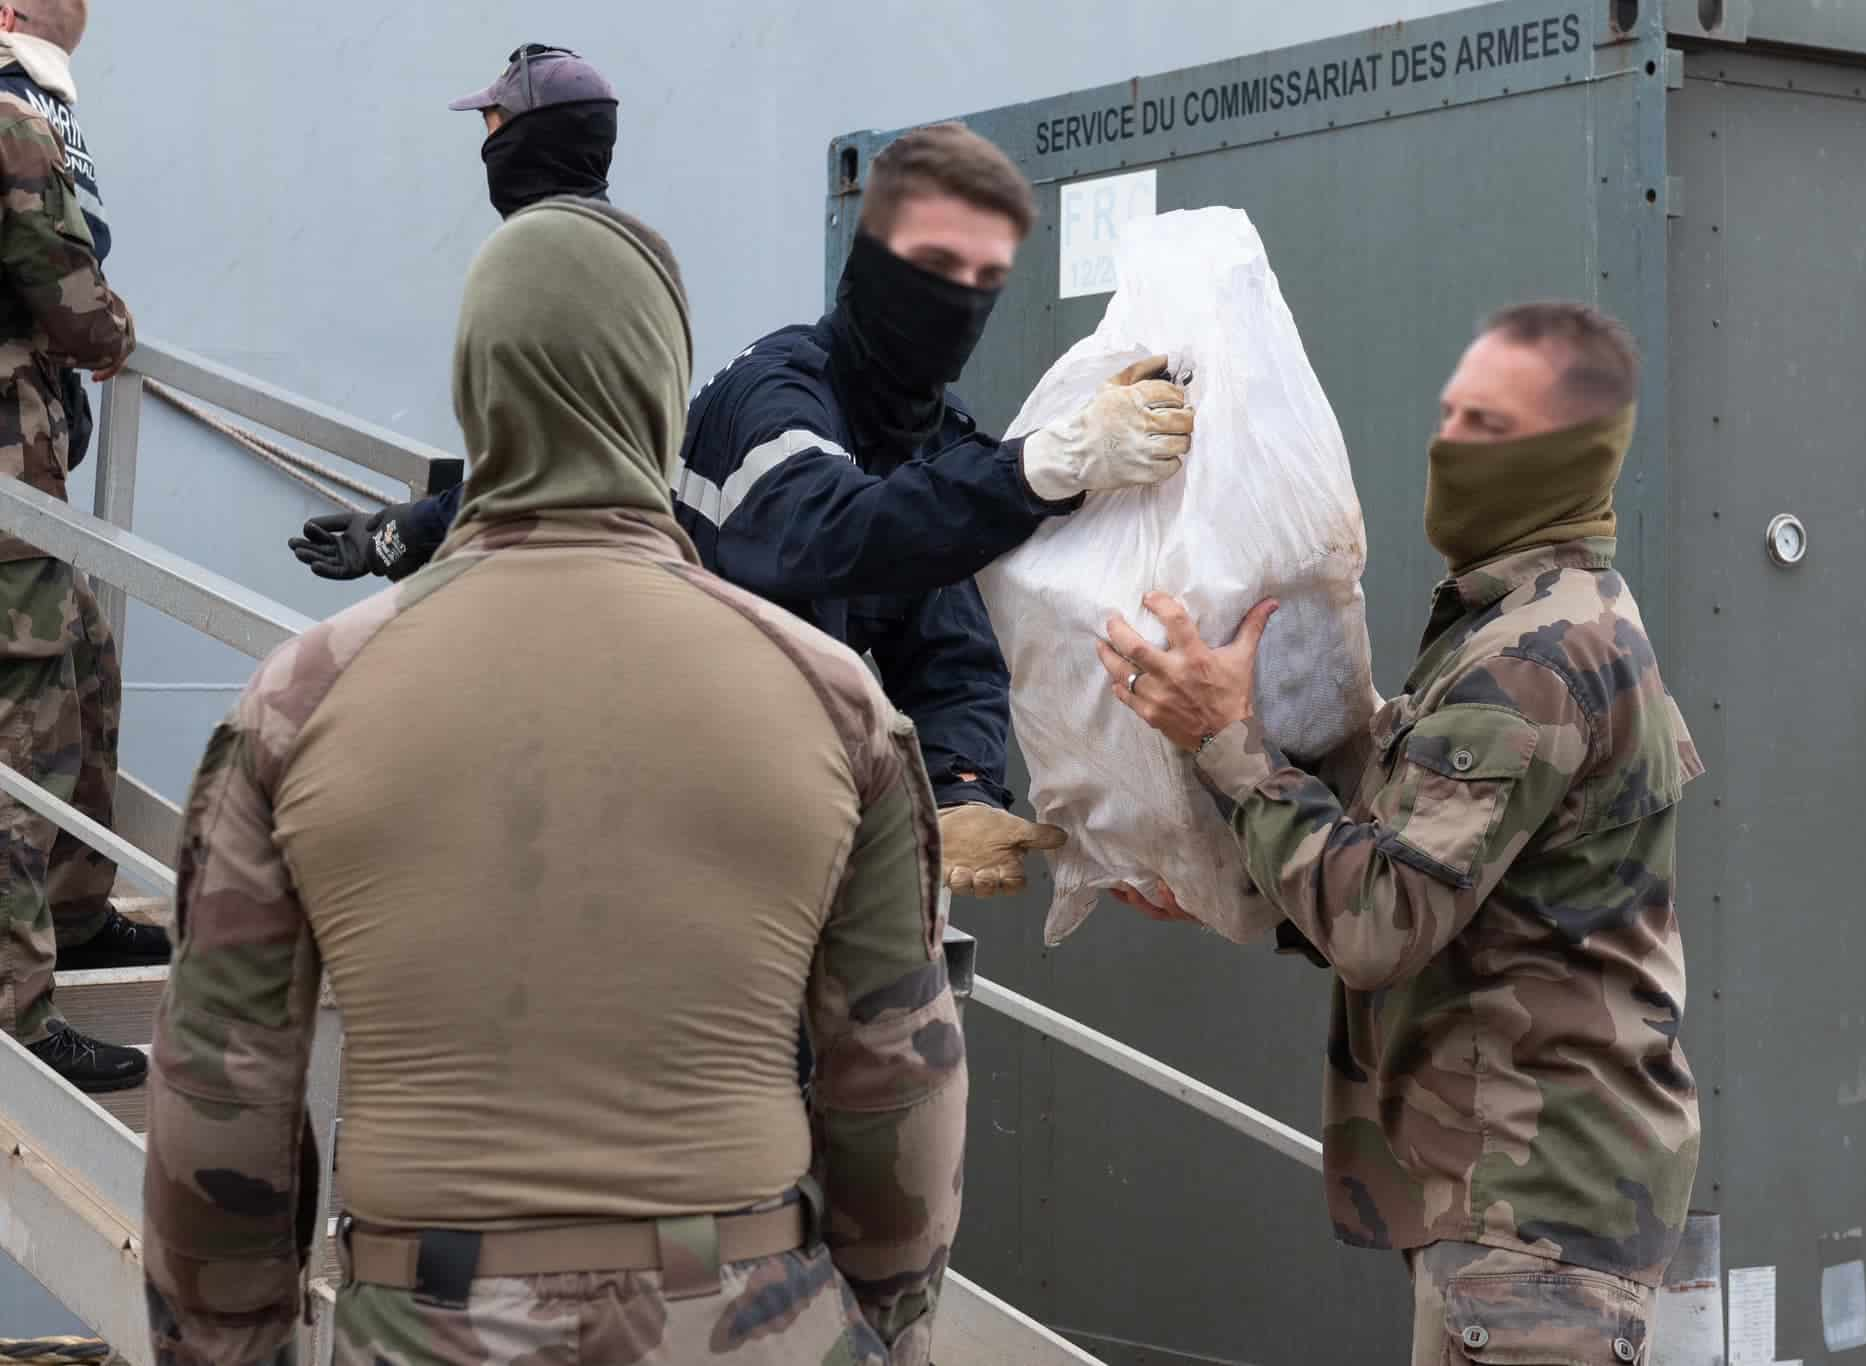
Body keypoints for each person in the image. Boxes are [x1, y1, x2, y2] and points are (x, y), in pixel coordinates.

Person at [145, 199, 965, 1365]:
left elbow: (220, 1096)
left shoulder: (301, 700)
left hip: (422, 1318)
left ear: (478, 388)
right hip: (749, 1317)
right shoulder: (832, 701)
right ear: (660, 395)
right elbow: (897, 1087)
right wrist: (880, 1333)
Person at [293, 120, 1195, 897]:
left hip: (784, 832)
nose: (957, 297)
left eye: (981, 275)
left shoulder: (939, 447)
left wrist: (958, 791)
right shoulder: (775, 400)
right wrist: (1046, 465)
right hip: (640, 813)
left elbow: (953, 656)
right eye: (933, 264)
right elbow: (820, 532)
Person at [1102, 302, 1702, 1365]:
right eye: (1449, 413)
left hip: (1530, 1226)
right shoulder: (1534, 620)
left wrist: (1225, 744)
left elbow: (1383, 919)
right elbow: (1451, 900)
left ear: (1566, 455)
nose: (1447, 445)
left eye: (1486, 425)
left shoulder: (1530, 659)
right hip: (1524, 1208)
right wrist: (1221, 888)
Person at [288, 42, 617, 583]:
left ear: (529, 139)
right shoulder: (618, 254)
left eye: (493, 126)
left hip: (554, 588)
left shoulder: (546, 274)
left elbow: (537, 482)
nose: (486, 148)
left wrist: (397, 537)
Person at [0, 0, 160, 1097]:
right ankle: (16, 1011)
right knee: (22, 732)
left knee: (86, 666)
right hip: (7, 473)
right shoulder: (13, 126)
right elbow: (72, 303)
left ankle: (77, 913)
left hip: (24, 473)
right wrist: (116, 331)